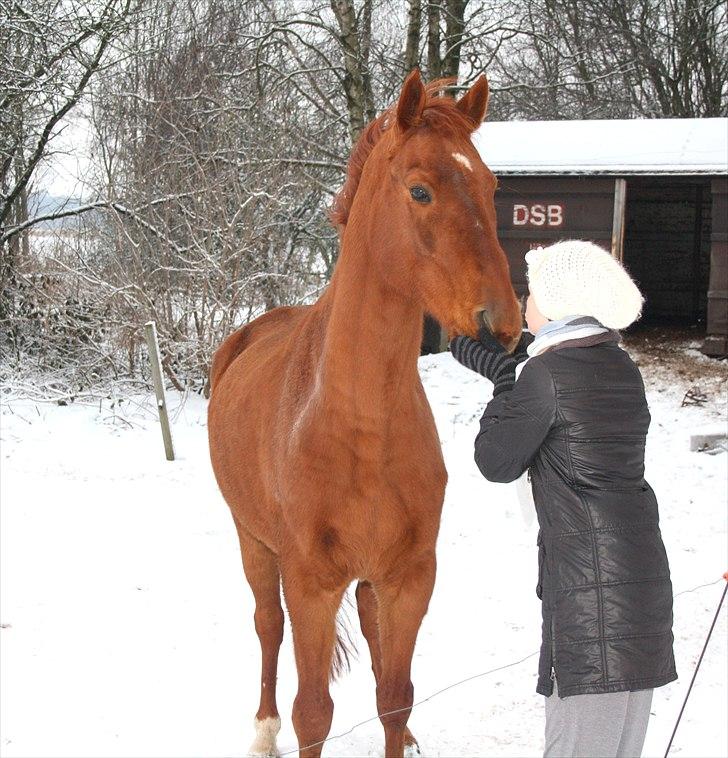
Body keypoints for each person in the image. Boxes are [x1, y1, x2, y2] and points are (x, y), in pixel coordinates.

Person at [450, 240, 677, 758]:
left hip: (590, 595)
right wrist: (516, 364)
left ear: (557, 304)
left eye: (531, 293)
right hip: (638, 589)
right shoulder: (620, 366)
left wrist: (504, 379)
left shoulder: (545, 375)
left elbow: (496, 461)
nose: (524, 304)